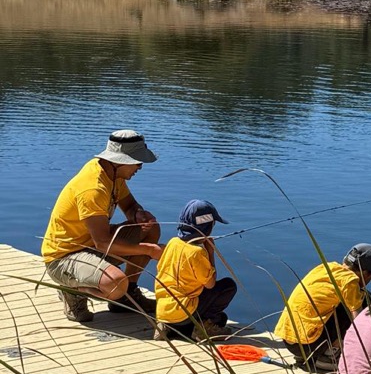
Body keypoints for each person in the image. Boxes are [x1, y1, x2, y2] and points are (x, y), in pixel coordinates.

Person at [42, 130, 161, 324]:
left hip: (91, 245)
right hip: (64, 258)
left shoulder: (112, 174)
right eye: (138, 162)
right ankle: (71, 291)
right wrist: (149, 250)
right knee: (116, 284)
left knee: (151, 228)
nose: (140, 167)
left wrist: (137, 214)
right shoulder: (93, 189)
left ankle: (127, 296)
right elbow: (103, 243)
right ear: (121, 161)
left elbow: (130, 206)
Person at [275, 243, 371, 372]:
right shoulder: (350, 281)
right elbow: (358, 324)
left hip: (289, 339)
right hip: (306, 344)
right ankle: (328, 357)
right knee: (363, 300)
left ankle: (309, 355)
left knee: (340, 302)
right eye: (370, 277)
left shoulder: (325, 268)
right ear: (366, 273)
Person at [153, 200, 236, 342]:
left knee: (222, 318)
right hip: (185, 314)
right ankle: (203, 328)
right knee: (228, 286)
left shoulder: (173, 243)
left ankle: (166, 326)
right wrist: (210, 252)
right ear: (208, 227)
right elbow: (210, 284)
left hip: (163, 312)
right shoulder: (197, 252)